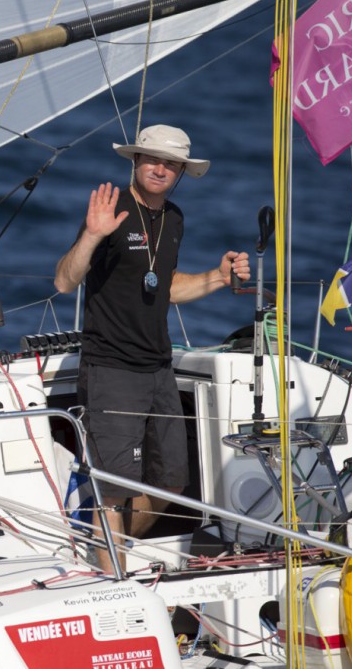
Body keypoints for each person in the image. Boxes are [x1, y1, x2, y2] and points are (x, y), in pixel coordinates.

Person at [53, 124, 251, 575]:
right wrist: (91, 235)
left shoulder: (174, 219)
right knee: (115, 487)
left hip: (158, 369)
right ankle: (114, 579)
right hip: (111, 369)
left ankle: (101, 543)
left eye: (171, 163)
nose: (160, 168)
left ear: (181, 171)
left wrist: (218, 277)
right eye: (151, 159)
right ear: (135, 161)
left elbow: (164, 288)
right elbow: (65, 281)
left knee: (170, 482)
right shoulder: (111, 211)